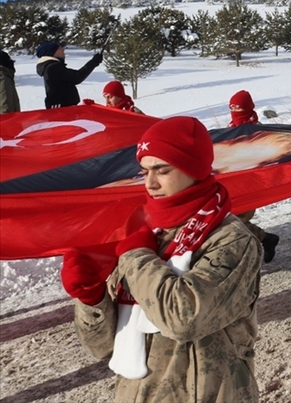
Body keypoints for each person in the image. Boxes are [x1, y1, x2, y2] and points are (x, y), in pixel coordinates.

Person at [64, 116, 261, 401]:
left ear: (193, 169)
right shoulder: (147, 235)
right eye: (144, 171)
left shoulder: (230, 240)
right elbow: (103, 347)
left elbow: (184, 319)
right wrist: (91, 299)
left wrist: (136, 256)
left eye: (162, 170)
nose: (150, 183)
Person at [227, 90, 281, 263]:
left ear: (248, 108)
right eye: (232, 107)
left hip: (249, 187)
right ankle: (265, 239)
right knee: (228, 223)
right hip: (232, 186)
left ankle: (250, 254)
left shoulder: (258, 132)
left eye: (238, 107)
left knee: (233, 224)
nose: (235, 111)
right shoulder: (229, 130)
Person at [35, 41, 103, 109]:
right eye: (59, 48)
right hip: (61, 109)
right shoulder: (52, 68)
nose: (63, 49)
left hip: (63, 107)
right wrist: (94, 61)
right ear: (51, 53)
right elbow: (77, 77)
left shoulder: (51, 66)